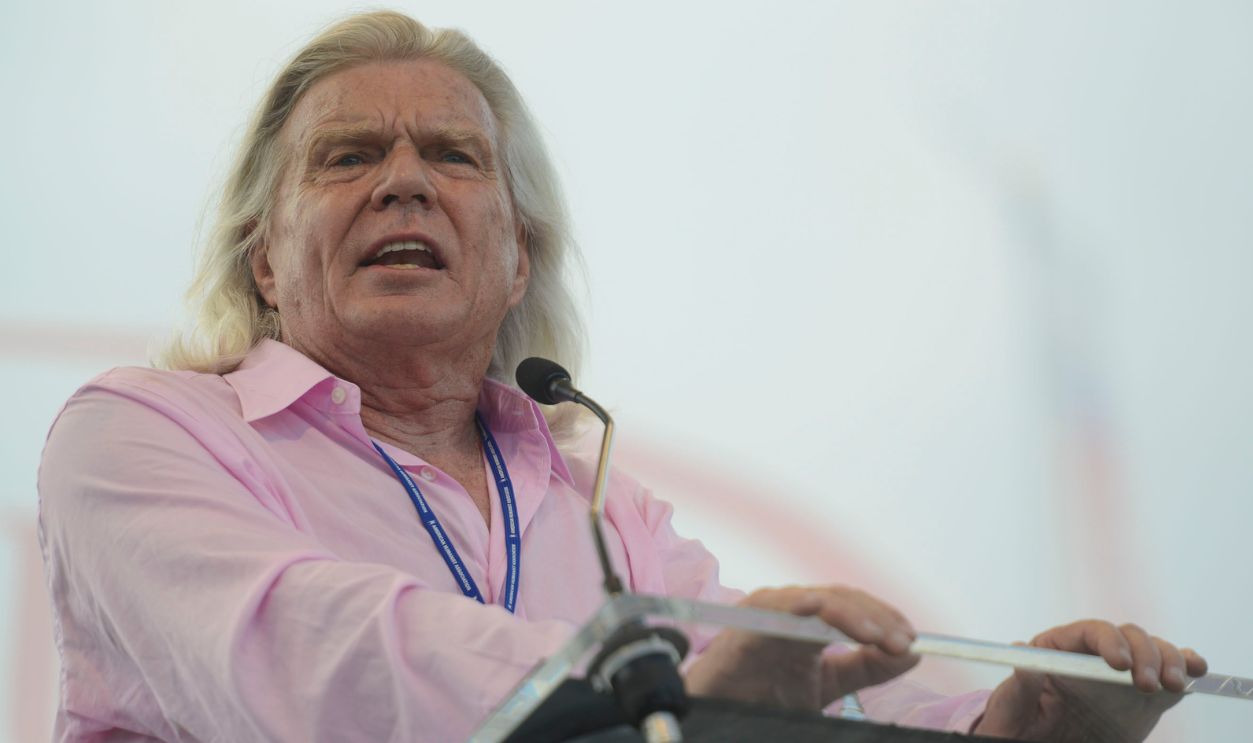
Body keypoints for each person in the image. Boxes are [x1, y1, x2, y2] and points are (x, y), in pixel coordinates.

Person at [37, 10, 1206, 742]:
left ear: (512, 263)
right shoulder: (138, 434)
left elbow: (779, 660)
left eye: (452, 156)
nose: (403, 183)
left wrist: (1010, 716)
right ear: (264, 260)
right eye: (348, 157)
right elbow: (300, 657)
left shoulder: (591, 499)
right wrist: (650, 676)